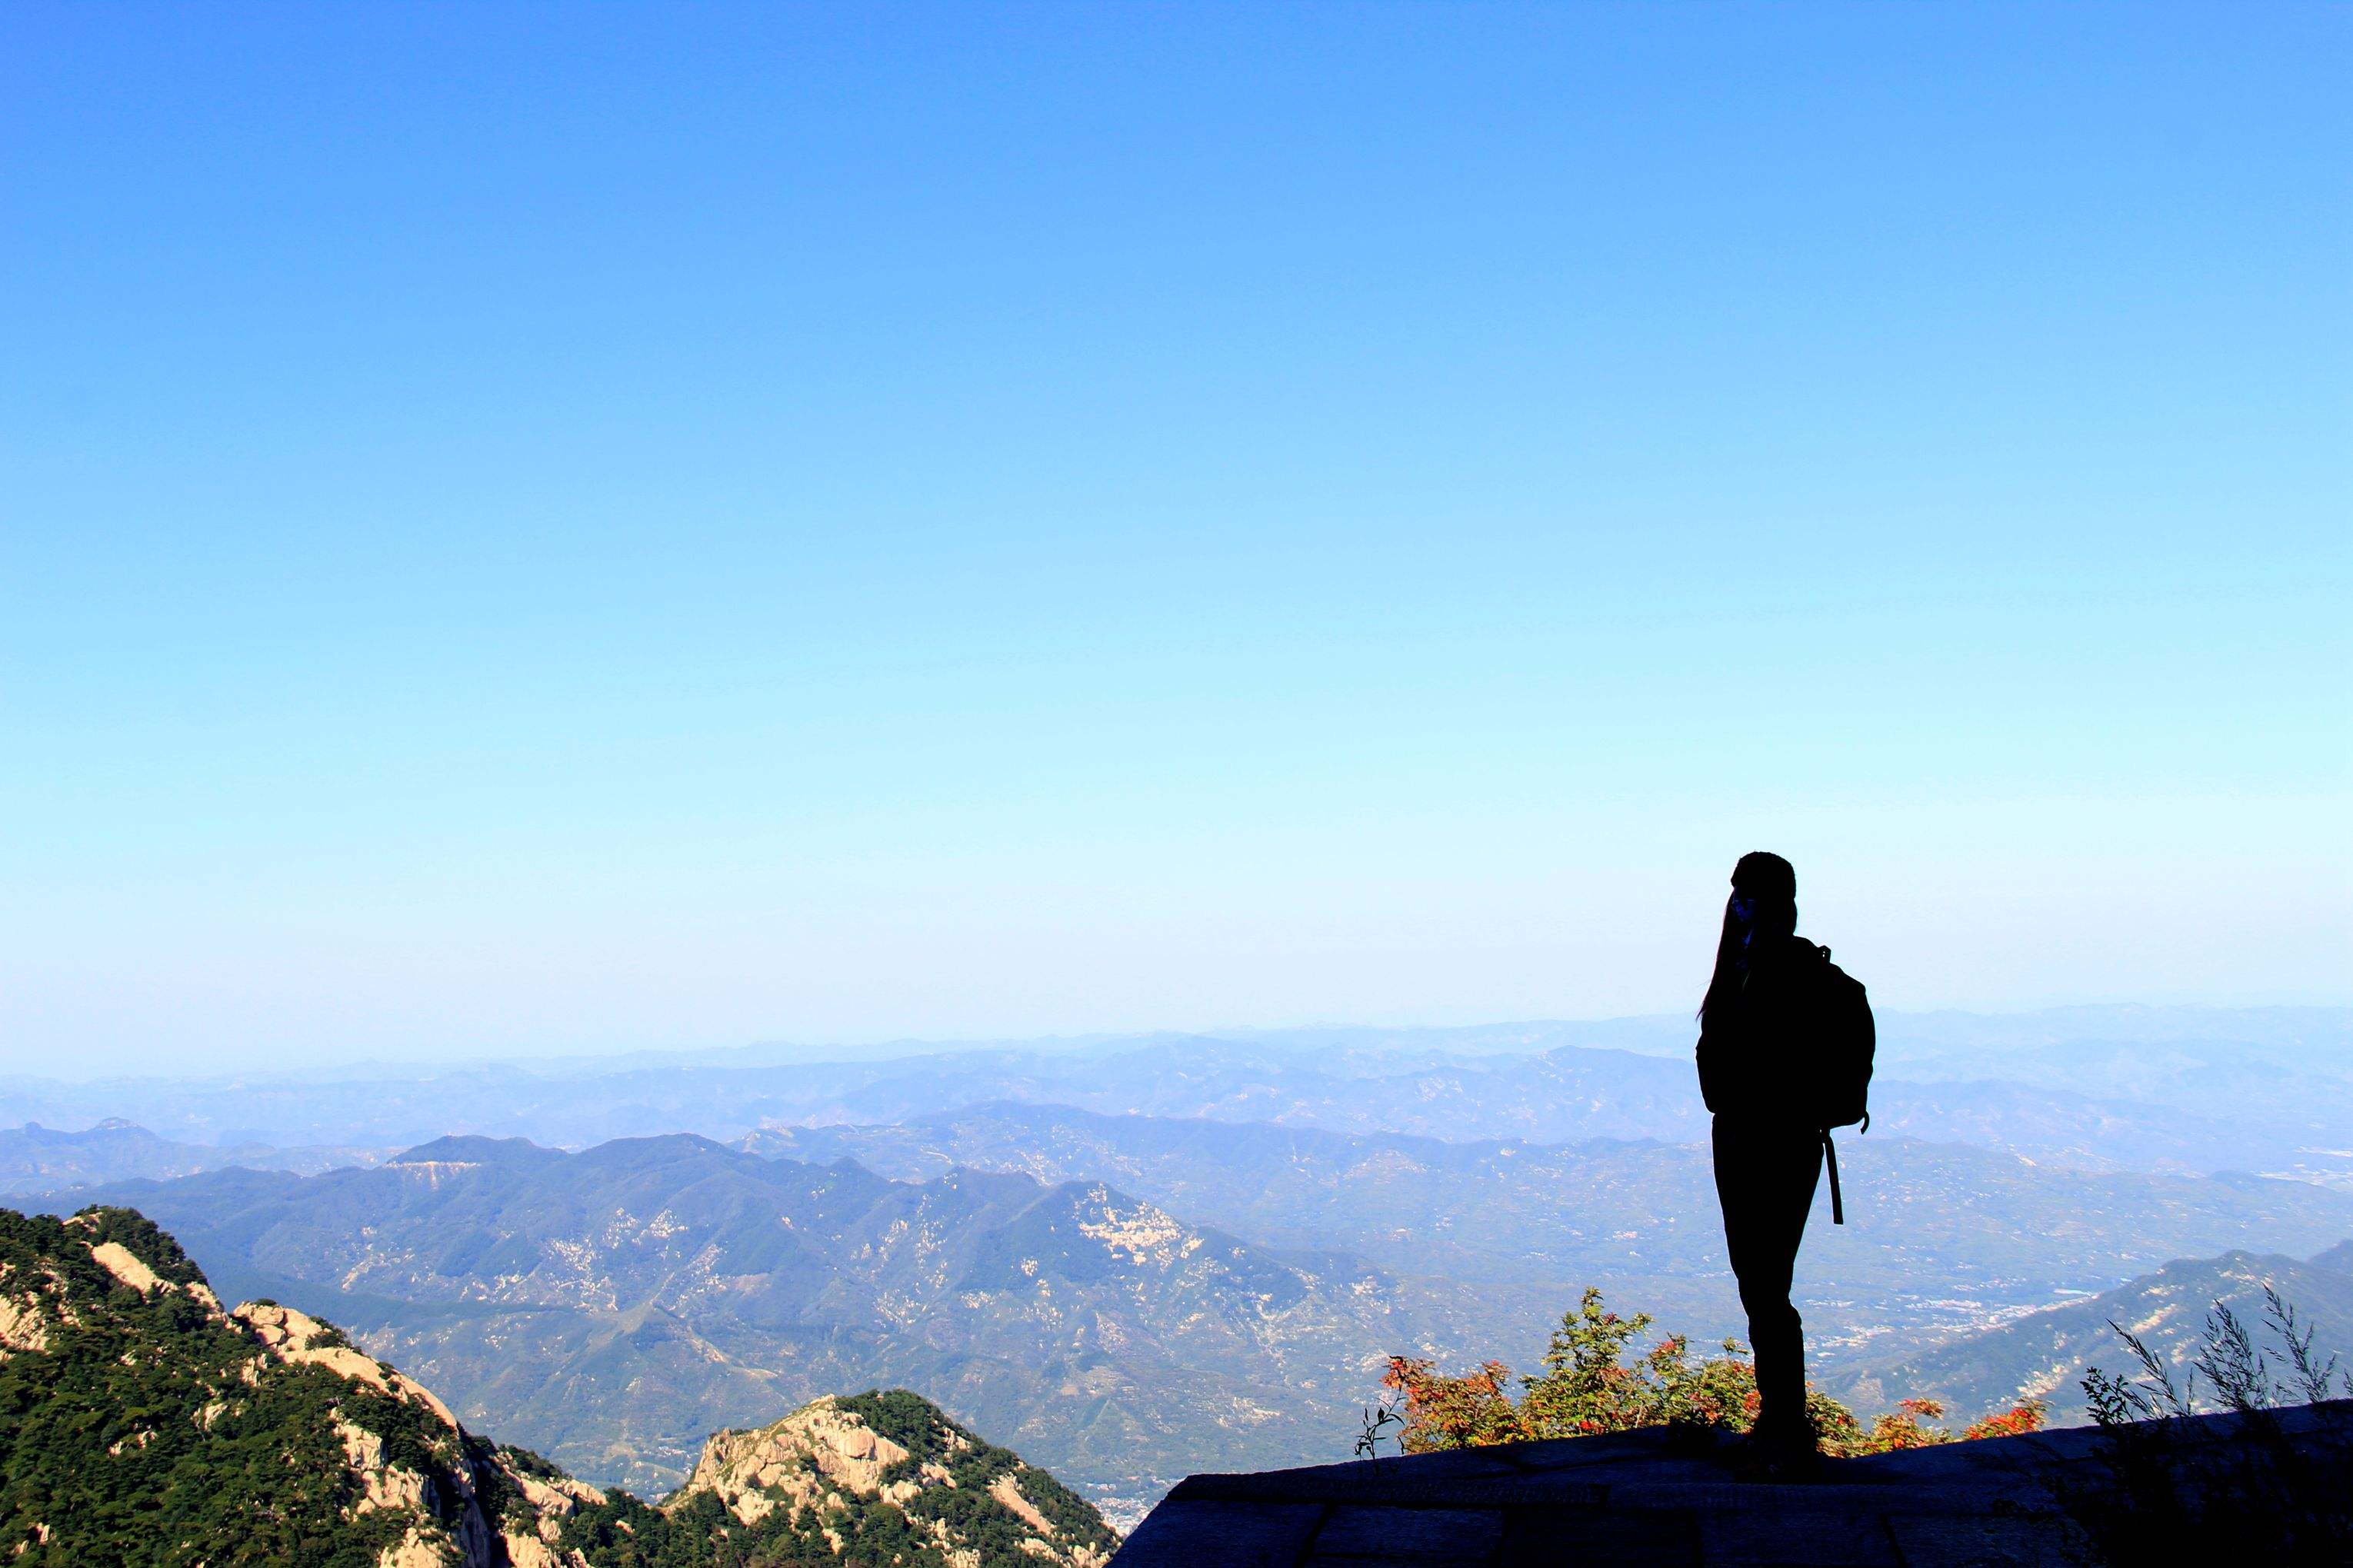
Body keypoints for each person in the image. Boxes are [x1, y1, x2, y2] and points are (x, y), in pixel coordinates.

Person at [1695, 851, 1833, 1471]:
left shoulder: (1755, 974)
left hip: (1754, 1142)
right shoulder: (1798, 971)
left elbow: (1718, 1078)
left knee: (1764, 1284)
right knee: (1764, 1283)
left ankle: (1784, 1424)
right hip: (1792, 1140)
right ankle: (1782, 1419)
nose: (1737, 904)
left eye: (1743, 894)